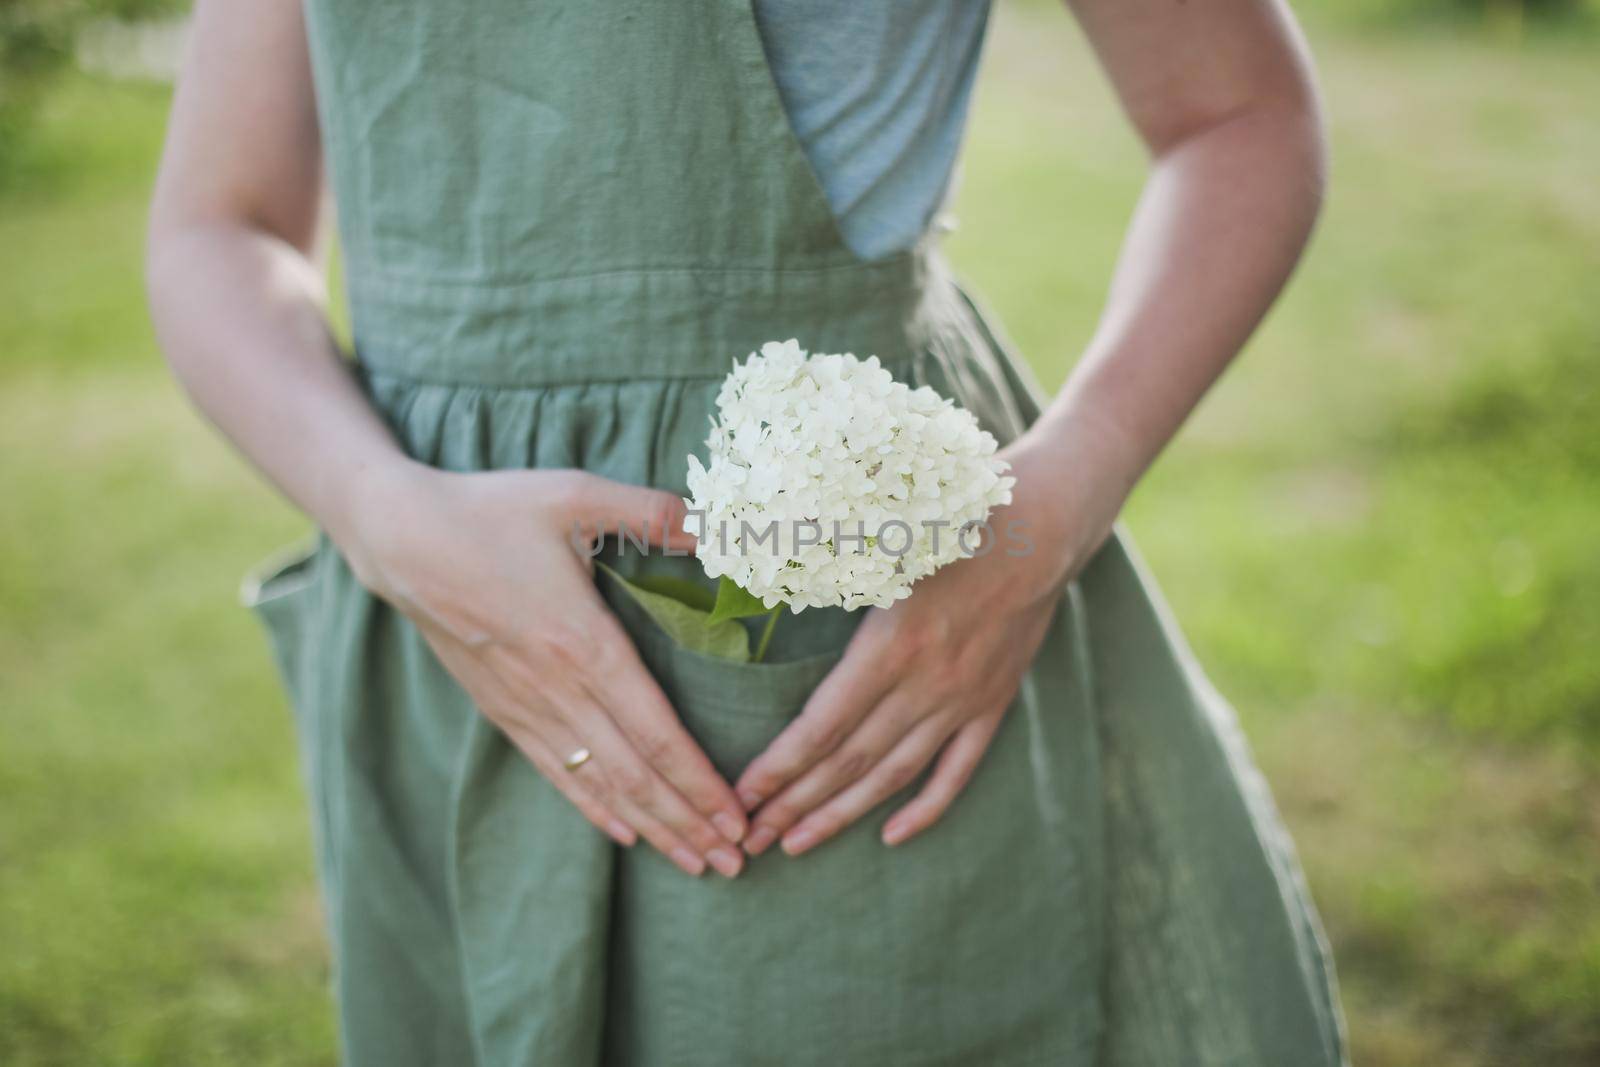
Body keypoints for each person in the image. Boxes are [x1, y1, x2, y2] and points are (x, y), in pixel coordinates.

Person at [146, 1, 1346, 1063]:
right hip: (438, 636)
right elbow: (219, 220)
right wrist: (376, 508)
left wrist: (1059, 500)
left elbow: (1235, 113)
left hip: (862, 650)